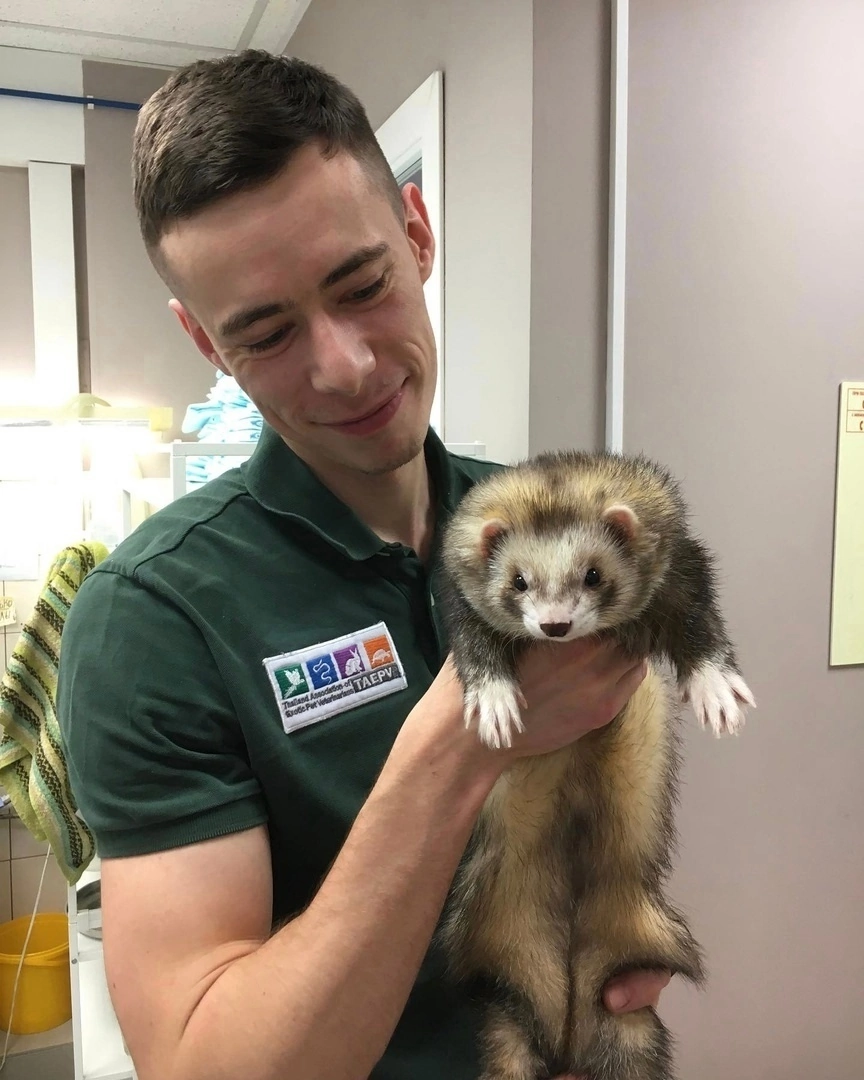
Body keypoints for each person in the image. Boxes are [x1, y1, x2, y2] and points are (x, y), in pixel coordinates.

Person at [57, 50, 671, 1080]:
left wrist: (605, 963)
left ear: (418, 233)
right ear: (205, 343)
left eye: (362, 284)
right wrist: (464, 743)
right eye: (264, 334)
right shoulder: (150, 621)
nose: (343, 366)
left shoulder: (536, 525)